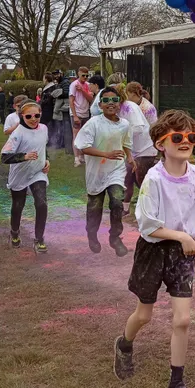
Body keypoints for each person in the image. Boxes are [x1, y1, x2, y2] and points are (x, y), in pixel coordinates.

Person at [114, 109, 195, 388]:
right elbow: (146, 226)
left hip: (183, 254)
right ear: (160, 143)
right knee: (143, 315)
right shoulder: (153, 180)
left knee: (182, 319)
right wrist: (183, 237)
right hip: (153, 250)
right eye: (178, 136)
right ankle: (125, 344)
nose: (186, 141)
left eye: (191, 137)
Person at [74, 85, 133, 256]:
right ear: (100, 105)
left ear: (119, 103)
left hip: (116, 169)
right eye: (106, 100)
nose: (111, 103)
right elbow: (83, 147)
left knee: (116, 201)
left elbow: (126, 143)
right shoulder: (94, 123)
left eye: (114, 100)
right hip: (96, 172)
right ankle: (92, 234)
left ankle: (115, 237)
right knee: (95, 207)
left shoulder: (124, 125)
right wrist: (106, 154)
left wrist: (130, 157)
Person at [1, 100, 50, 254]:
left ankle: (39, 239)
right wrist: (24, 156)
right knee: (18, 205)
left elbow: (42, 147)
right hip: (19, 175)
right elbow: (4, 157)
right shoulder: (18, 133)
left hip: (37, 173)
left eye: (37, 115)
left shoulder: (44, 128)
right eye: (29, 116)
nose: (34, 119)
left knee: (41, 203)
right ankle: (14, 232)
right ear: (22, 116)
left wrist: (46, 160)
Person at [119, 85, 158, 216]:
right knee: (127, 178)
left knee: (142, 180)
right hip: (133, 149)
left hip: (145, 148)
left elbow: (140, 128)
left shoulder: (134, 107)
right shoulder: (120, 107)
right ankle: (125, 209)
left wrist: (122, 135)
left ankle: (150, 210)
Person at [70, 67, 93, 167]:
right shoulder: (74, 84)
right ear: (78, 74)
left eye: (87, 76)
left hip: (86, 113)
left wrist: (83, 90)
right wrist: (74, 115)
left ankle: (82, 156)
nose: (85, 77)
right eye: (83, 75)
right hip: (77, 113)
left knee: (84, 135)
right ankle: (76, 158)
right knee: (76, 135)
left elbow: (90, 99)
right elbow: (71, 101)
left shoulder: (88, 85)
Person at [39, 73, 57, 146]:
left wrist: (41, 103)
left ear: (46, 79)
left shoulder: (51, 88)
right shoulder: (48, 87)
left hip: (48, 109)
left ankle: (49, 142)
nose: (43, 80)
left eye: (43, 78)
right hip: (46, 109)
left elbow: (48, 100)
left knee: (47, 125)